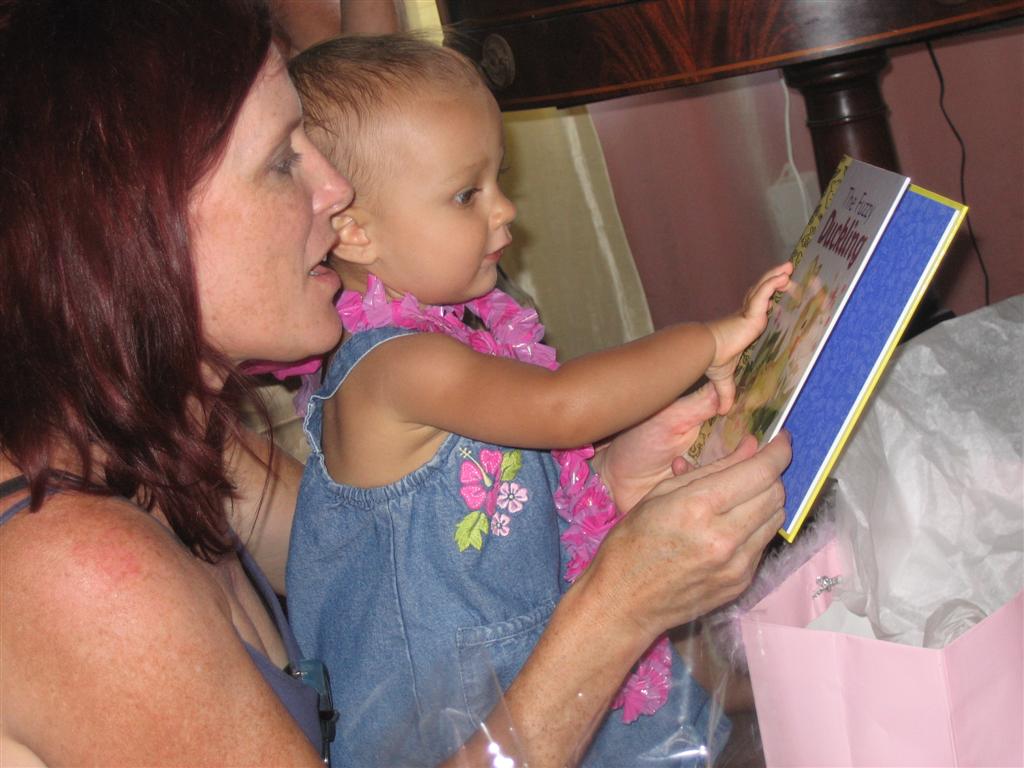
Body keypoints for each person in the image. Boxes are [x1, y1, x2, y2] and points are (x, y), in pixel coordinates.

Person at [0, 3, 790, 765]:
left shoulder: (176, 445)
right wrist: (617, 608)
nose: (337, 190)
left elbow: (397, 566)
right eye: (282, 161)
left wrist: (603, 482)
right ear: (131, 221)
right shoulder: (75, 572)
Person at [283, 34, 792, 766]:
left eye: (498, 179)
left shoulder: (455, 335)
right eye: (467, 194)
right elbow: (561, 408)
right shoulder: (393, 367)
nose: (505, 208)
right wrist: (708, 340)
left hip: (526, 658)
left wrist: (612, 475)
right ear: (354, 231)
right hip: (453, 719)